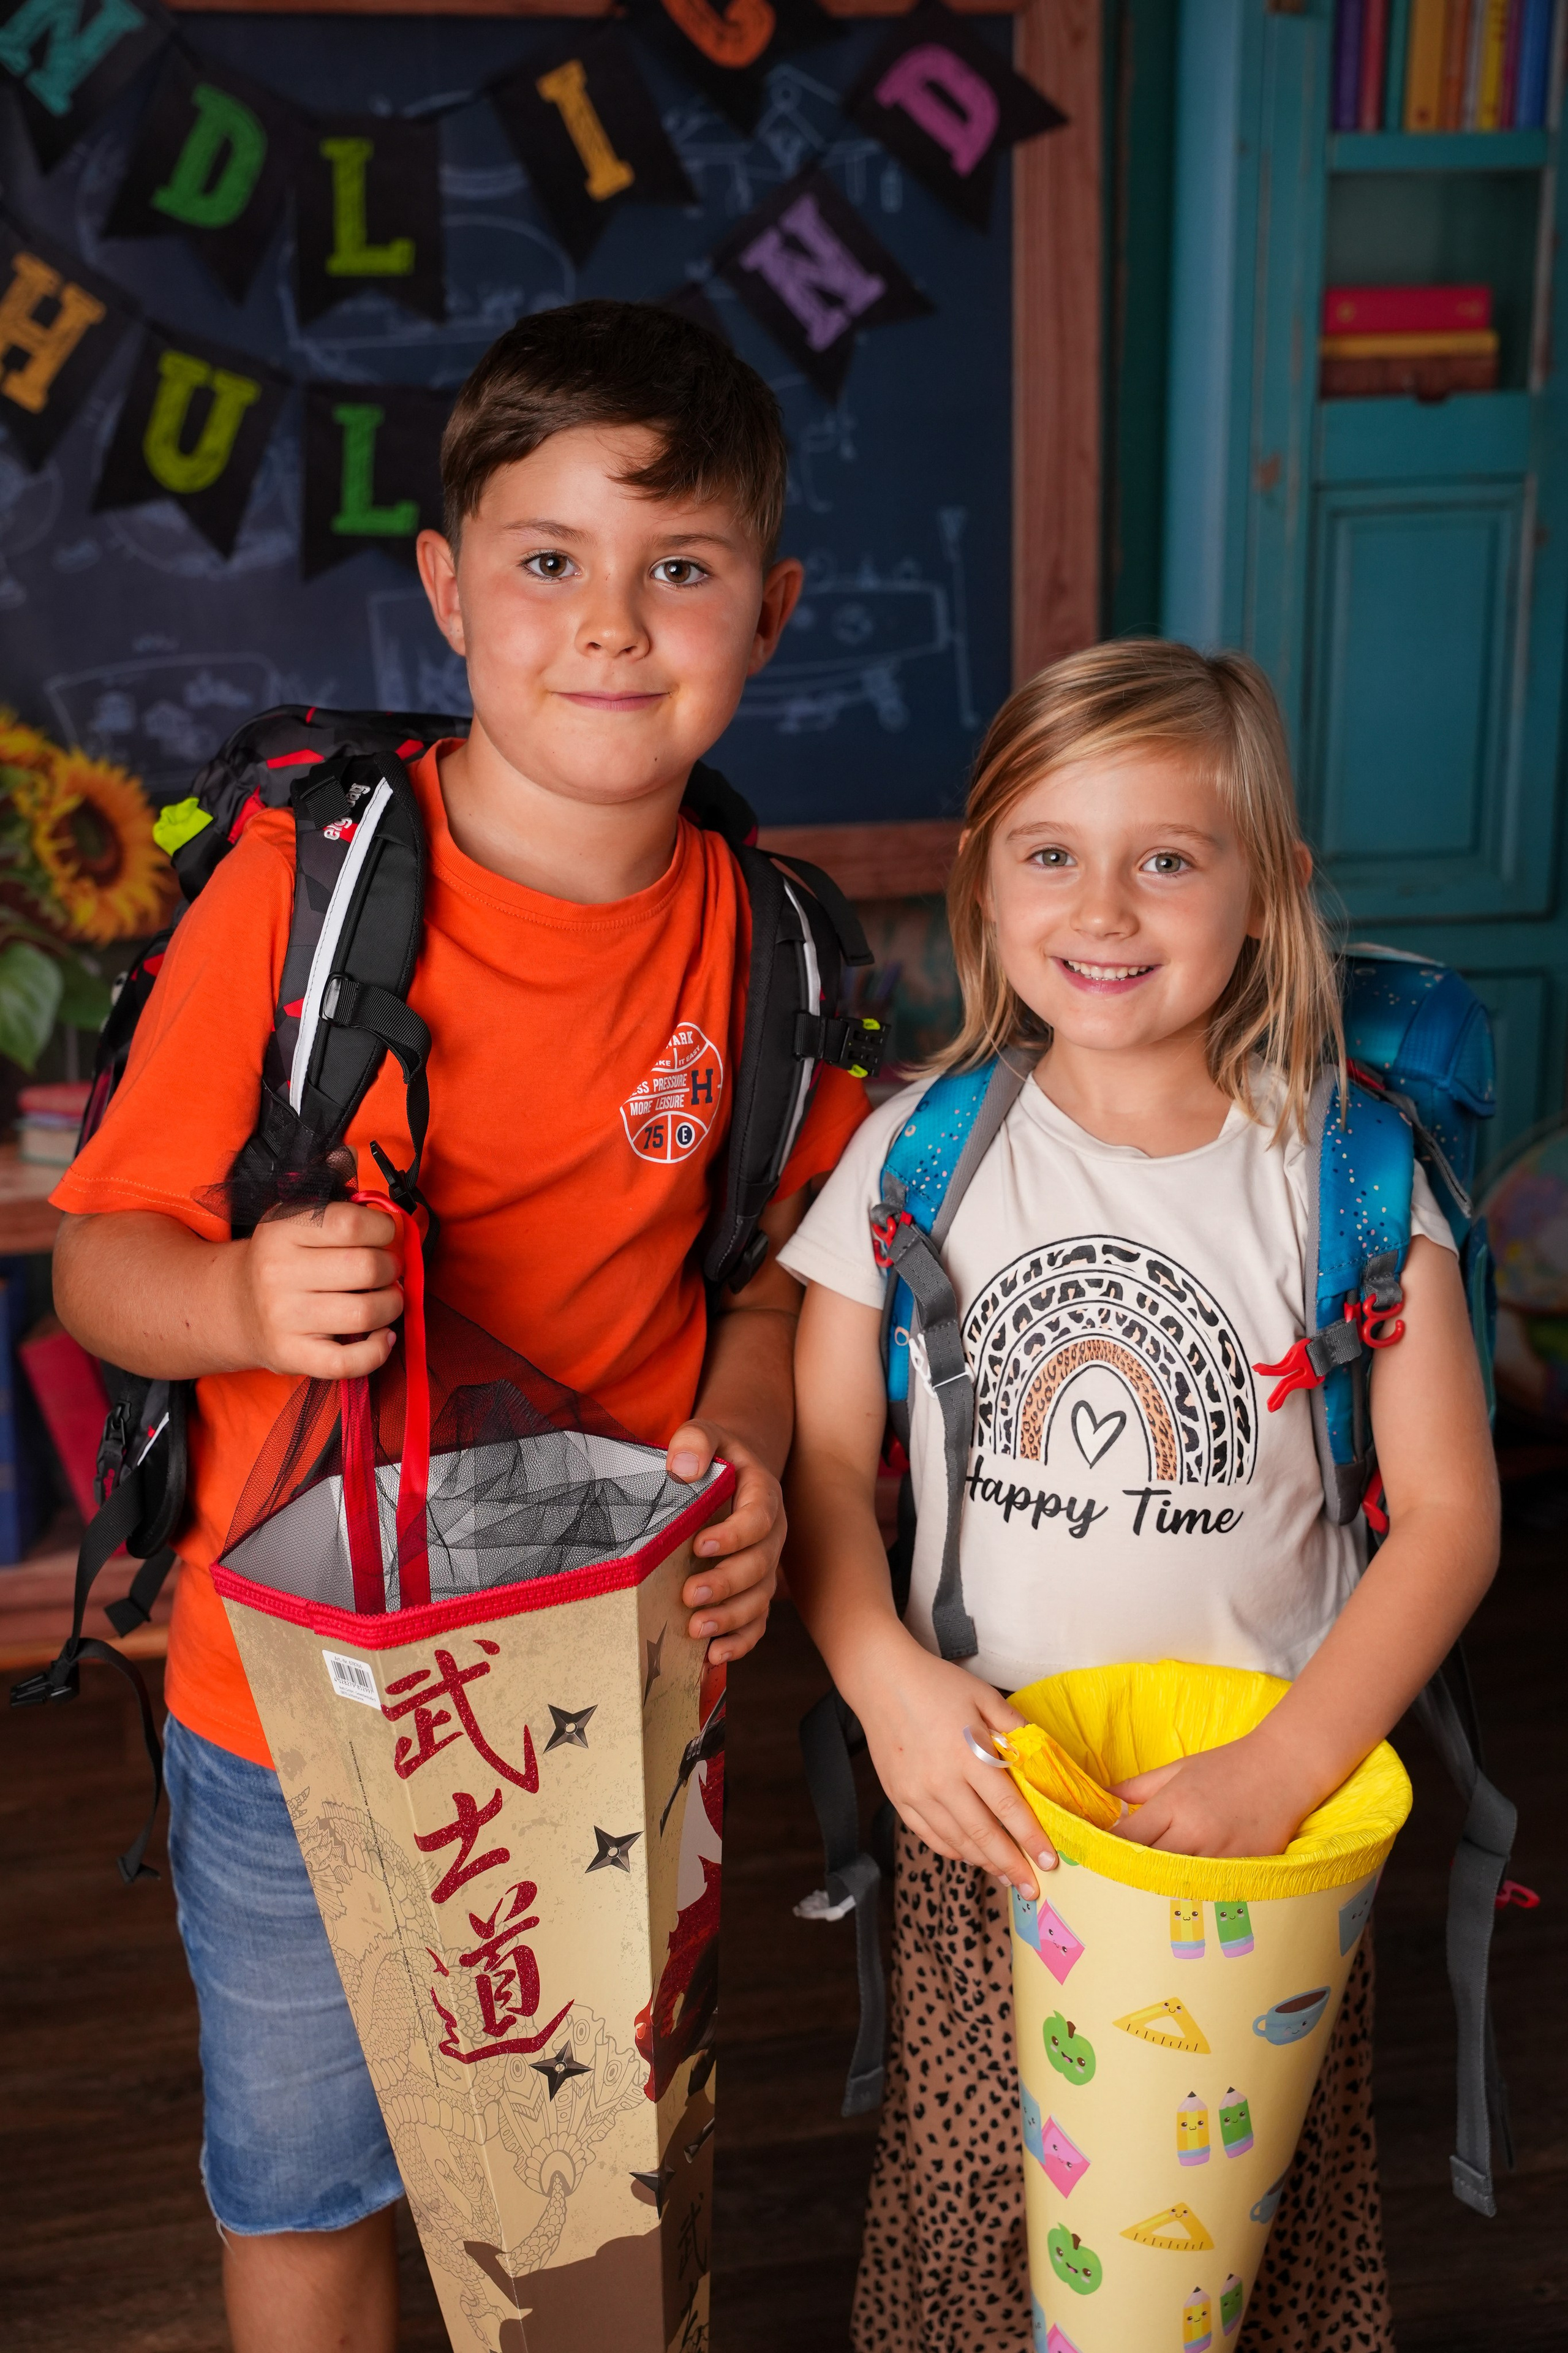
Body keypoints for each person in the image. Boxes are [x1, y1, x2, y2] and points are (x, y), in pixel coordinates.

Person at [49, 300, 867, 2353]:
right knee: (311, 2186)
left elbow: (760, 1280)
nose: (611, 622)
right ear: (447, 590)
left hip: (602, 1692)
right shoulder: (303, 893)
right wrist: (237, 1291)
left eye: (678, 569)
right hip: (285, 1707)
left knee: (578, 2201)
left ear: (767, 610)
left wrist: (753, 1441)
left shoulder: (766, 953)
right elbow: (97, 1270)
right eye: (548, 559)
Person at [779, 639, 1499, 2353]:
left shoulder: (1351, 1172)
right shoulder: (916, 1155)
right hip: (996, 1812)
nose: (1103, 905)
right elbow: (816, 1464)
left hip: (1271, 1822)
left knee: (1255, 2245)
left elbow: (1455, 1518)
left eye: (1168, 857)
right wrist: (882, 1683)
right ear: (984, 879)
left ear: (1270, 892)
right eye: (1051, 853)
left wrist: (1290, 1762)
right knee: (986, 2223)